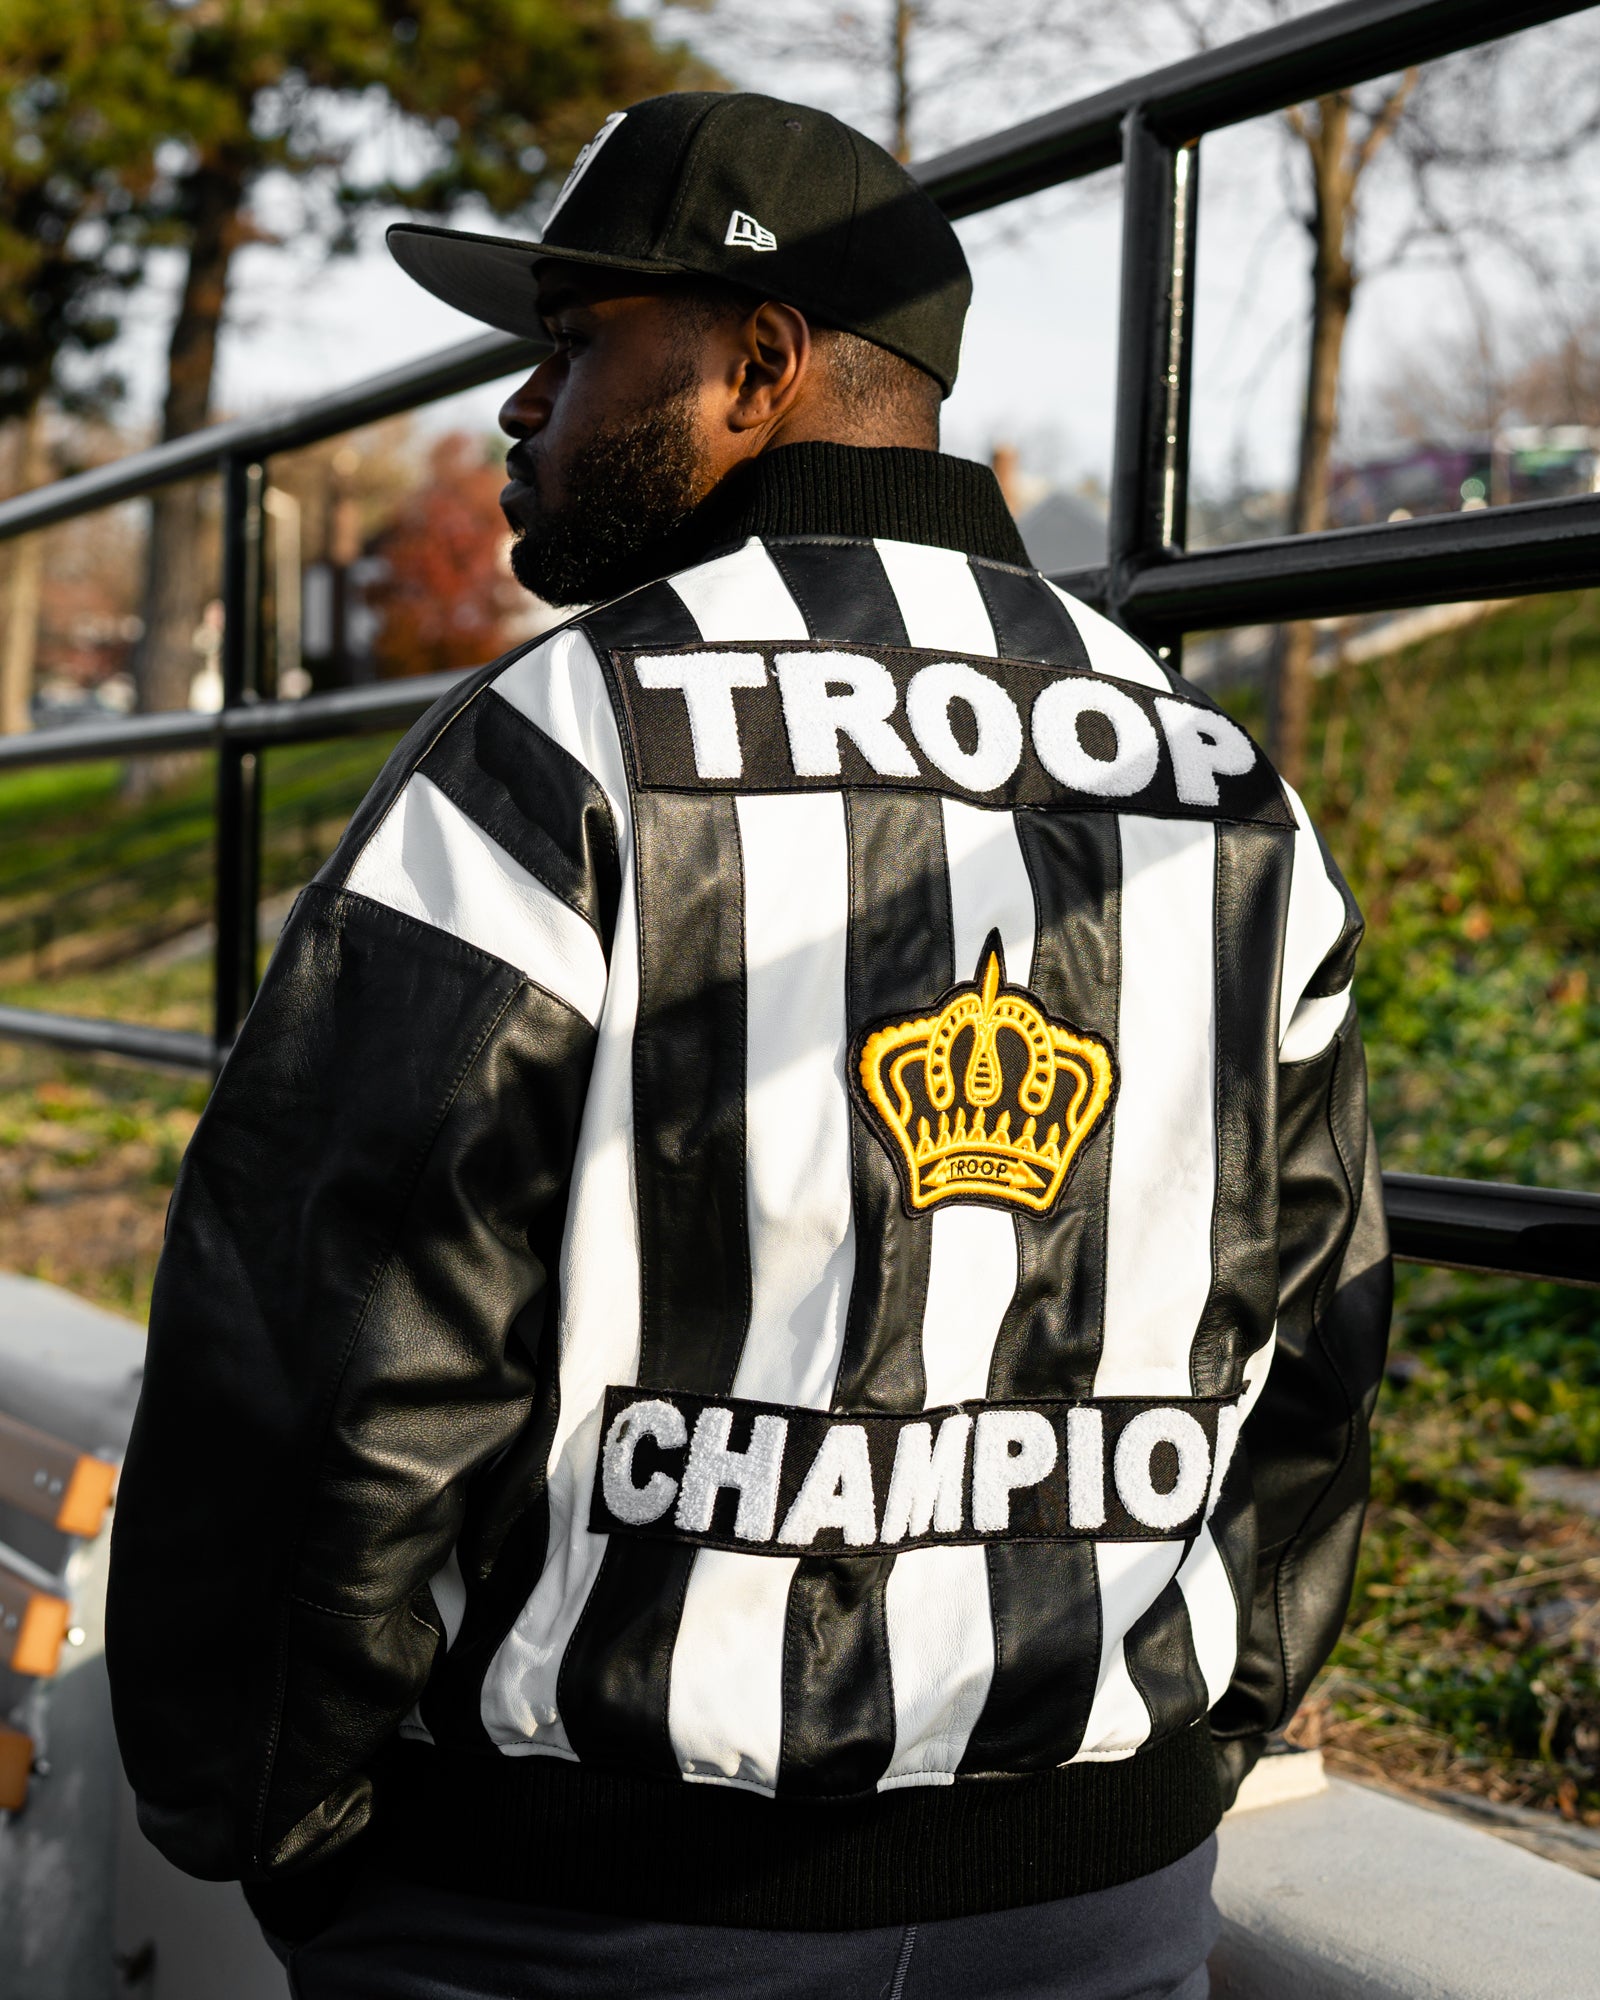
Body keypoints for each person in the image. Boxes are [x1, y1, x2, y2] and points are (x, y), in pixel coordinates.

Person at [106, 90, 1391, 1999]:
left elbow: (326, 1352)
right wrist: (1182, 1755)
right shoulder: (1219, 781)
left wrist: (277, 1831)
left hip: (575, 1909)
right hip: (1091, 1898)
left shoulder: (561, 749)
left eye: (571, 344)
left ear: (758, 364)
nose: (519, 410)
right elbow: (1320, 1342)